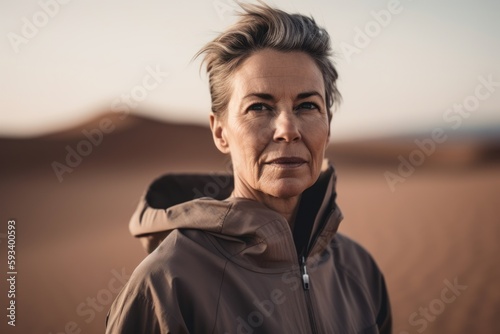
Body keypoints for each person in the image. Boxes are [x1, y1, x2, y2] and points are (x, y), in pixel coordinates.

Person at [106, 3, 392, 333]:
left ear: (328, 126)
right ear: (220, 132)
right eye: (259, 107)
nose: (287, 129)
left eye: (307, 106)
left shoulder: (359, 270)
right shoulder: (165, 286)